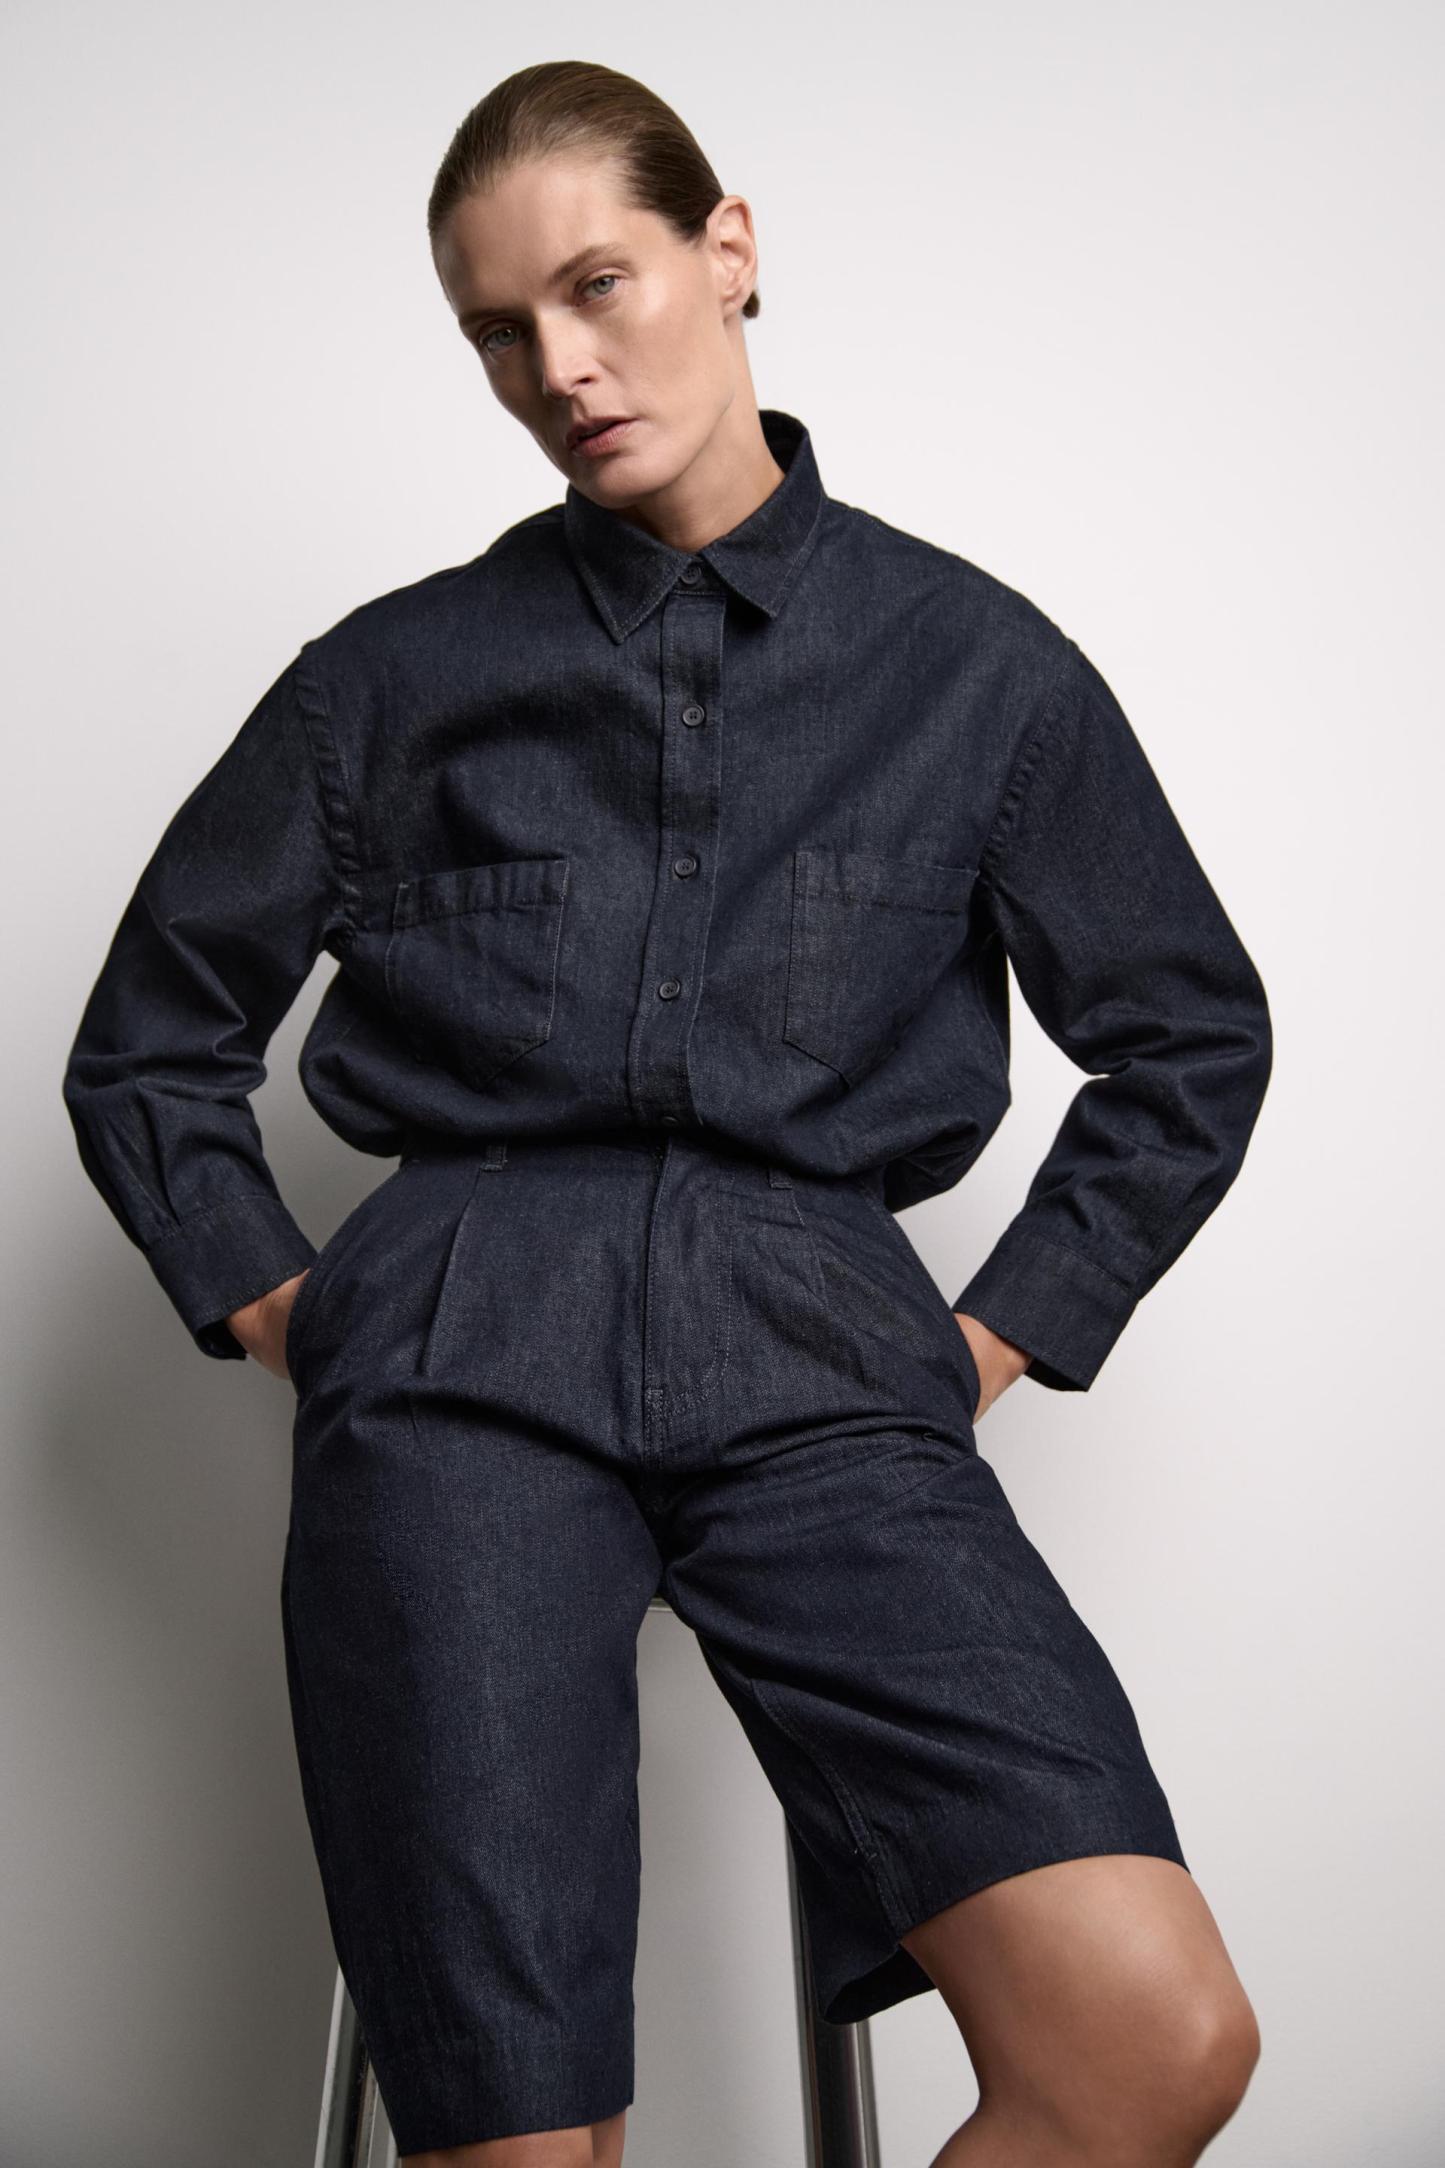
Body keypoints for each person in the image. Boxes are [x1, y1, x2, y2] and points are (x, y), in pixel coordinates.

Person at [61, 58, 1273, 2168]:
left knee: (1148, 2044)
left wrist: (990, 1336)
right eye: (496, 330)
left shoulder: (977, 670)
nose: (557, 368)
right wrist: (299, 1311)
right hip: (457, 1360)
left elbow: (1186, 1035)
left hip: (823, 1357)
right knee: (524, 2147)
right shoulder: (388, 682)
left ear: (728, 253)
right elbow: (150, 1042)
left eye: (595, 286)